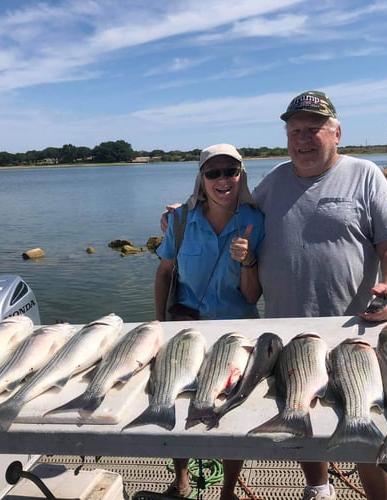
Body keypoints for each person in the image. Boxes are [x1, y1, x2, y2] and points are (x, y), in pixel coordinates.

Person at [162, 91, 387, 500]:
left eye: (314, 129)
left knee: (365, 427)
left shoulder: (365, 174)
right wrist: (186, 209)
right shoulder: (274, 181)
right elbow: (230, 205)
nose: (303, 138)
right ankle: (319, 486)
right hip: (287, 328)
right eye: (295, 130)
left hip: (352, 328)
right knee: (301, 410)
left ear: (336, 133)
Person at [154, 143, 265, 498]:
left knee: (230, 405)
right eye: (212, 172)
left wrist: (247, 261)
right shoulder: (180, 219)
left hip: (237, 329)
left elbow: (251, 296)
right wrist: (160, 325)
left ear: (241, 175)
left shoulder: (255, 220)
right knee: (176, 396)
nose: (222, 179)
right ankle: (181, 480)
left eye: (230, 171)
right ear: (201, 180)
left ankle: (228, 490)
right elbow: (164, 271)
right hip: (186, 328)